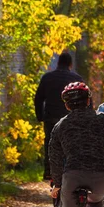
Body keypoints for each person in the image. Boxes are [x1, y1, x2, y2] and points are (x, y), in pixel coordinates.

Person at [34, 52, 83, 181]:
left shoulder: (47, 78)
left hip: (51, 117)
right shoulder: (76, 79)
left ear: (58, 63)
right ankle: (73, 171)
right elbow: (86, 99)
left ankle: (49, 172)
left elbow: (38, 99)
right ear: (70, 65)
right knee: (72, 144)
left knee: (50, 143)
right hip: (70, 118)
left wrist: (40, 116)